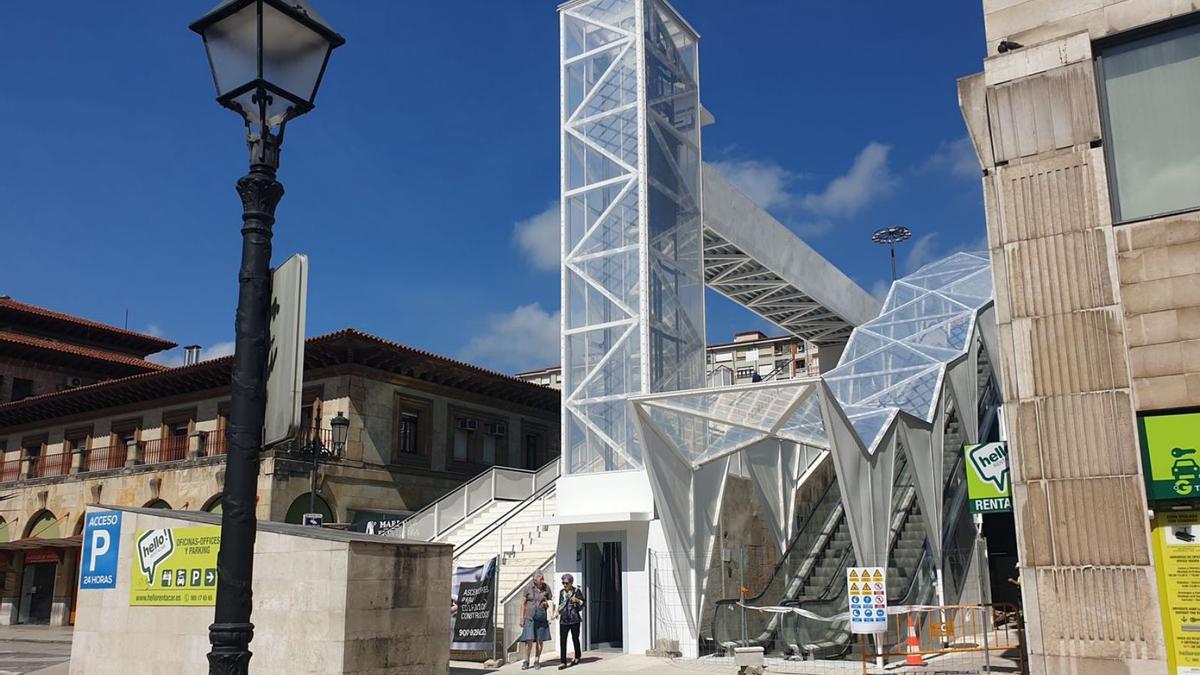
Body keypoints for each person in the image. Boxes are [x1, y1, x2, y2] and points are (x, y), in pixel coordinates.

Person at [519, 571, 553, 670]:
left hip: (541, 617)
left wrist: (547, 603)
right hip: (529, 617)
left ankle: (537, 660)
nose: (543, 580)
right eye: (541, 579)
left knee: (540, 640)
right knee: (528, 640)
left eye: (543, 578)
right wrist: (521, 618)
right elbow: (522, 603)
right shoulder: (528, 588)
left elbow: (550, 601)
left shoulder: (546, 588)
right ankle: (526, 661)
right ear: (535, 580)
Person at [557, 574, 585, 669]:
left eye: (566, 583)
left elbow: (583, 603)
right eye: (563, 583)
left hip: (574, 619)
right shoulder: (561, 592)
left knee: (575, 638)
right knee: (563, 640)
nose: (564, 585)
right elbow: (560, 604)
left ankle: (577, 656)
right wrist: (557, 611)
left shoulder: (576, 591)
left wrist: (576, 600)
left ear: (571, 583)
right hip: (564, 619)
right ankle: (563, 662)